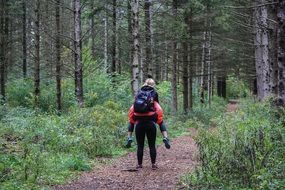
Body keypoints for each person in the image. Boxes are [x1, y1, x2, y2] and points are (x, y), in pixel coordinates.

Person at [125, 78, 170, 169]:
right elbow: (156, 105)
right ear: (153, 85)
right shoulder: (154, 93)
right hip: (151, 122)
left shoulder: (139, 92)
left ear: (145, 83)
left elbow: (135, 106)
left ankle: (139, 163)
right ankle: (165, 138)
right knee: (152, 144)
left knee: (140, 145)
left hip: (139, 123)